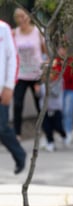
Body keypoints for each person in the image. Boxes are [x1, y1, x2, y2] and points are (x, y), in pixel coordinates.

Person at [12, 8, 46, 140]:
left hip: (36, 74)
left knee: (40, 105)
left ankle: (44, 133)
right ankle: (17, 133)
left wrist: (47, 66)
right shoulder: (14, 33)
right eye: (18, 18)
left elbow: (45, 52)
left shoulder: (38, 33)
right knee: (18, 103)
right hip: (21, 74)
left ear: (29, 18)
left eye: (23, 17)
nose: (21, 20)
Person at [0, 20, 27, 174]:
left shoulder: (3, 28)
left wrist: (9, 86)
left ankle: (19, 154)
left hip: (2, 90)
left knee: (2, 128)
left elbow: (13, 58)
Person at [56, 44, 73, 146]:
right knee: (61, 111)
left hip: (71, 89)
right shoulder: (56, 62)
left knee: (68, 110)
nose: (61, 51)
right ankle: (62, 132)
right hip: (59, 91)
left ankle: (68, 132)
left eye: (63, 49)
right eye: (59, 49)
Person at [39, 63, 67, 152]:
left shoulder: (58, 81)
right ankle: (50, 142)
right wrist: (37, 91)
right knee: (47, 127)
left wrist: (48, 87)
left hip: (56, 108)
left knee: (58, 126)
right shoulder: (42, 83)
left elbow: (56, 93)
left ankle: (63, 135)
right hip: (45, 109)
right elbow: (39, 95)